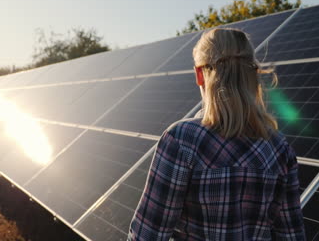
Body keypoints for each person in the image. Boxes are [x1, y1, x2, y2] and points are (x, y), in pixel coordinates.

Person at [127, 28, 305, 240]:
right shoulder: (279, 148)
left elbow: (147, 236)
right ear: (252, 73)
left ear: (199, 75)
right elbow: (291, 236)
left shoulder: (182, 140)